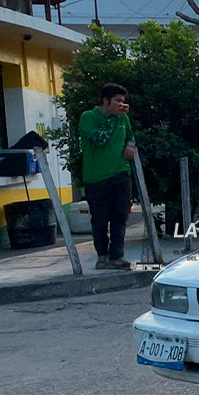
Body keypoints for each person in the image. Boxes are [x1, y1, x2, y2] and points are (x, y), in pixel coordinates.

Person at [79, 83, 136, 270]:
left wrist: (130, 145)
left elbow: (130, 135)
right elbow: (99, 139)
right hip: (96, 177)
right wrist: (111, 116)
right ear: (106, 100)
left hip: (120, 173)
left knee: (120, 217)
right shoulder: (88, 117)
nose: (121, 105)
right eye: (117, 101)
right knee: (100, 219)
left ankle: (117, 256)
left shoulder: (123, 118)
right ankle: (102, 256)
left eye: (123, 101)